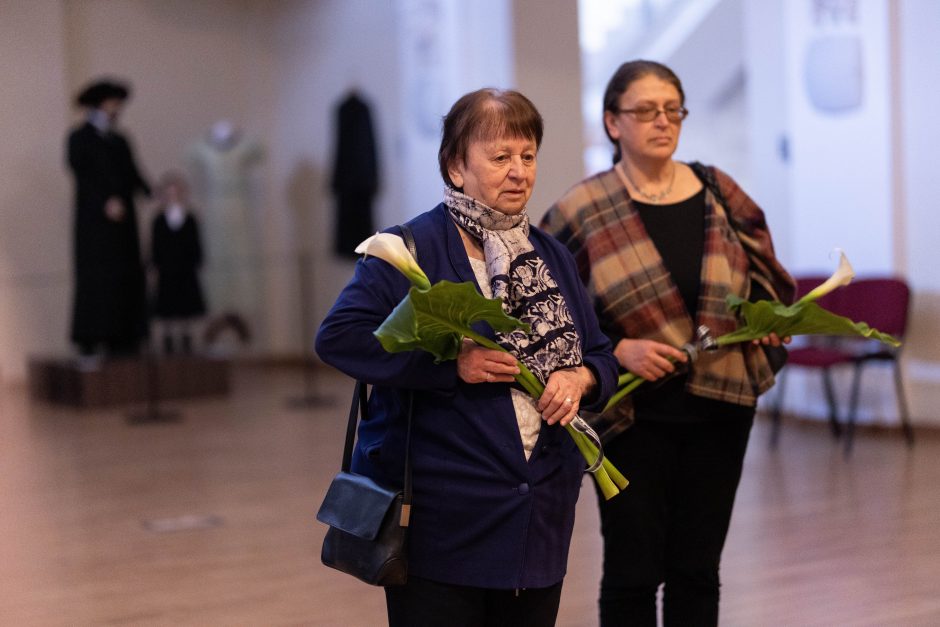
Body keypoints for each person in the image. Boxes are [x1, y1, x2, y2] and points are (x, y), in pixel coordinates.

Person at [316, 88, 619, 627]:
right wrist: (449, 364)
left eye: (527, 156)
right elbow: (339, 336)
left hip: (541, 514)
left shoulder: (550, 255)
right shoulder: (412, 247)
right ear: (456, 167)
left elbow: (600, 354)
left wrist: (581, 377)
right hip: (445, 520)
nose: (519, 172)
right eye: (500, 157)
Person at [540, 60, 796, 626]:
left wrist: (769, 318)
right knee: (632, 572)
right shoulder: (580, 209)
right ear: (612, 122)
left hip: (721, 404)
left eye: (673, 108)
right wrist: (614, 350)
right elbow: (545, 315)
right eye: (645, 110)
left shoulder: (719, 189)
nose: (663, 120)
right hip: (632, 413)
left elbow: (765, 283)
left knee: (697, 568)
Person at [67, 78, 151, 357]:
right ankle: (92, 337)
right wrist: (104, 201)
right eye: (113, 103)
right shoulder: (78, 138)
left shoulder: (120, 139)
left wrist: (152, 191)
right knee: (97, 278)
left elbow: (133, 172)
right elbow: (83, 175)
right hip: (95, 224)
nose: (117, 109)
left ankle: (125, 337)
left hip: (123, 223)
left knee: (126, 274)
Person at [150, 171, 207, 354]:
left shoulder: (189, 219)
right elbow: (155, 245)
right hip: (167, 269)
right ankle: (167, 337)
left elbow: (196, 243)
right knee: (167, 305)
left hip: (186, 268)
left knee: (186, 305)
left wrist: (196, 260)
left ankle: (186, 336)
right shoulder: (159, 220)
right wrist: (155, 264)